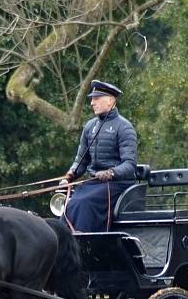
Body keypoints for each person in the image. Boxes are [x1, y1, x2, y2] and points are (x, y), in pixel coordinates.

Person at [59, 80, 137, 232]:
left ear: (110, 101)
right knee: (71, 203)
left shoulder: (124, 127)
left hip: (116, 185)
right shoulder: (89, 126)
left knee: (84, 202)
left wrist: (111, 173)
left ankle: (84, 241)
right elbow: (81, 161)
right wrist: (69, 176)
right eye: (92, 99)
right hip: (94, 183)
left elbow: (129, 164)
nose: (92, 103)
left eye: (96, 98)